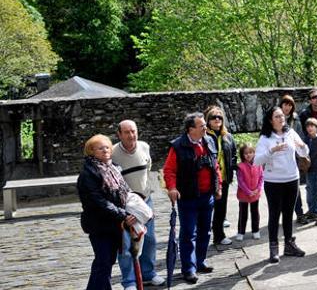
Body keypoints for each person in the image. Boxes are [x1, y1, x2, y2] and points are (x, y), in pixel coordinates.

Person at [163, 112, 222, 284]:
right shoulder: (178, 146)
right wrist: (172, 188)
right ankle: (188, 268)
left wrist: (217, 187)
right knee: (188, 233)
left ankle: (200, 261)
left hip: (207, 196)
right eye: (202, 126)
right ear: (191, 129)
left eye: (205, 125)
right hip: (188, 197)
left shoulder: (209, 141)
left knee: (205, 230)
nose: (205, 128)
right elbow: (169, 170)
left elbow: (215, 165)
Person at [78, 134, 137, 290]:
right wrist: (123, 215)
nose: (105, 150)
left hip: (115, 224)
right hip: (99, 224)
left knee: (106, 262)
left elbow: (124, 193)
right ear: (91, 151)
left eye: (107, 147)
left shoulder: (115, 168)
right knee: (103, 261)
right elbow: (98, 202)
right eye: (100, 148)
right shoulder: (88, 173)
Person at [112, 120, 164, 289]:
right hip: (126, 204)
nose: (131, 135)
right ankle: (129, 281)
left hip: (145, 200)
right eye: (126, 132)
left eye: (133, 131)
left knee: (149, 239)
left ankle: (148, 273)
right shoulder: (112, 153)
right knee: (126, 244)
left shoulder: (144, 147)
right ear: (119, 134)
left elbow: (148, 171)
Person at [255, 106, 309, 262]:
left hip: (292, 179)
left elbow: (304, 153)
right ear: (271, 120)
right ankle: (273, 248)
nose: (281, 118)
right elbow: (257, 161)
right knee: (274, 214)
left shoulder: (291, 132)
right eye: (277, 116)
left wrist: (302, 146)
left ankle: (289, 245)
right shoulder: (265, 138)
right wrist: (272, 150)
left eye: (282, 116)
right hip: (273, 181)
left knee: (288, 213)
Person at [205, 105, 237, 246]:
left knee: (221, 209)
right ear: (208, 120)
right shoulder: (204, 137)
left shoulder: (227, 136)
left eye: (220, 117)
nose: (217, 119)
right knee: (206, 209)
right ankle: (203, 236)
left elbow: (234, 154)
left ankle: (219, 235)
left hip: (223, 178)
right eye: (214, 117)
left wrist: (232, 168)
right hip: (209, 179)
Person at [281, 94, 308, 223]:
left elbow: (301, 137)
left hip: (293, 159)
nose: (287, 107)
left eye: (290, 105)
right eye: (285, 104)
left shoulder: (295, 120)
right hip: (279, 159)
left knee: (295, 188)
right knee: (281, 189)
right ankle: (285, 215)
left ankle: (300, 213)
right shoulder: (274, 119)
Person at [235, 143, 263, 241]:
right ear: (242, 155)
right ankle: (240, 231)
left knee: (255, 212)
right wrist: (248, 191)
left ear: (254, 153)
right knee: (243, 213)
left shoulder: (258, 164)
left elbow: (261, 177)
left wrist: (258, 189)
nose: (248, 155)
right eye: (246, 153)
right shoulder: (240, 166)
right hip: (244, 195)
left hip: (255, 194)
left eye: (250, 152)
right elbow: (240, 181)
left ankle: (256, 230)